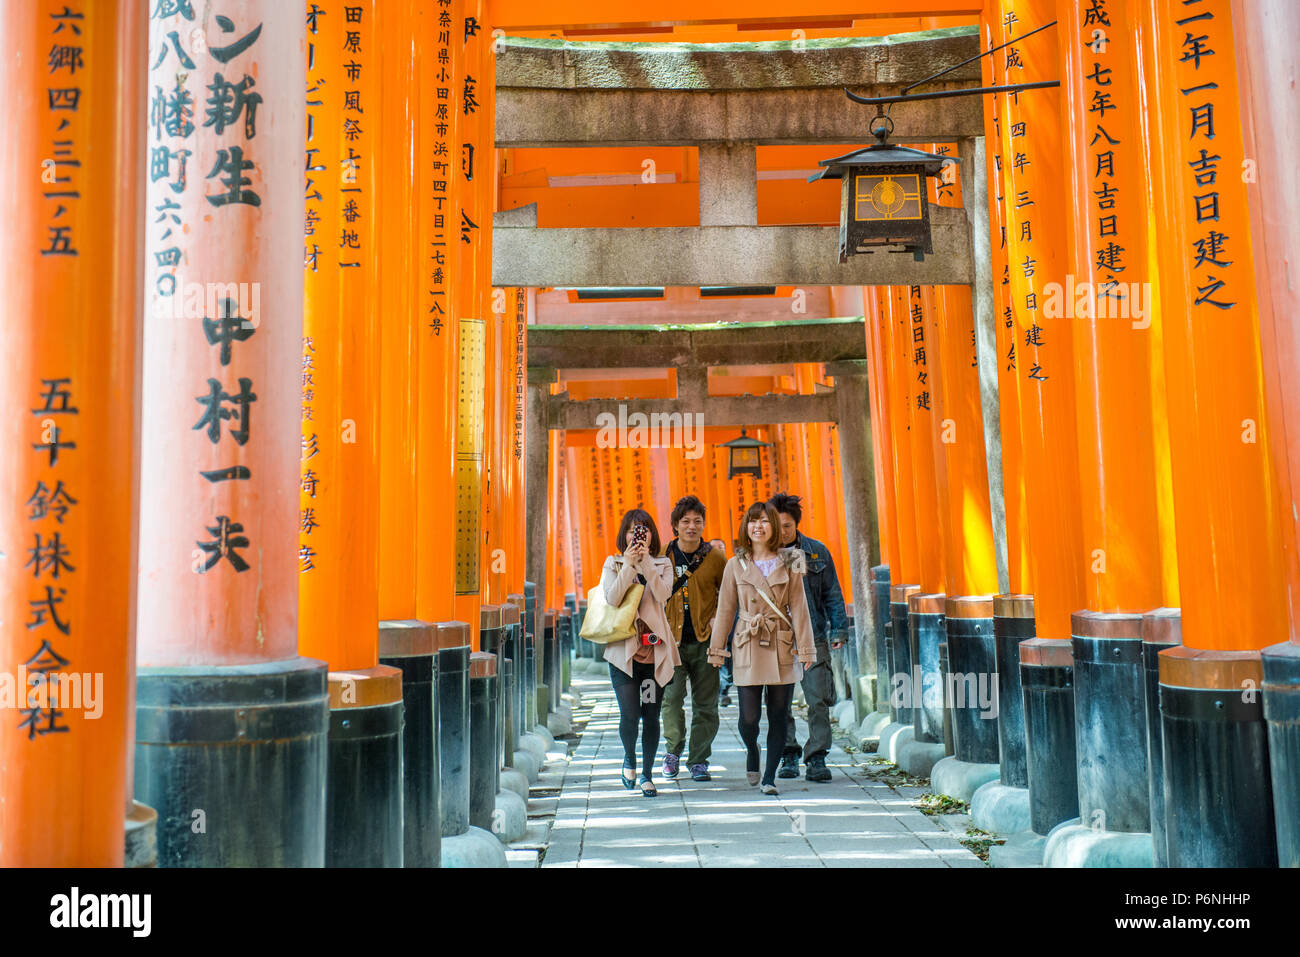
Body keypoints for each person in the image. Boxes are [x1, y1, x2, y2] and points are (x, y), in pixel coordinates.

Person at [708, 502, 816, 795]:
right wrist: (717, 650)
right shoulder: (735, 564)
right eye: (753, 521)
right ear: (746, 527)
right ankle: (752, 748)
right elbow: (726, 609)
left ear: (774, 528)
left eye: (764, 521)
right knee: (749, 718)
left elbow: (799, 607)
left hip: (781, 641)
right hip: (748, 641)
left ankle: (769, 777)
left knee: (779, 714)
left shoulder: (793, 559)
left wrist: (807, 650)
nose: (758, 526)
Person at [769, 493, 849, 783]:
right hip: (775, 638)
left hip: (812, 635)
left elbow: (832, 593)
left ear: (796, 525)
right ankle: (787, 753)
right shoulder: (759, 556)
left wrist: (839, 628)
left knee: (817, 698)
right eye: (776, 525)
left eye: (787, 526)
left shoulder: (816, 551)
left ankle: (816, 756)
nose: (782, 532)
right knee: (780, 701)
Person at [601, 508, 680, 797]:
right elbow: (612, 598)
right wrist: (629, 566)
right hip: (625, 654)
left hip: (653, 653)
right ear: (625, 535)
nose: (639, 533)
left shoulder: (662, 564)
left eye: (644, 528)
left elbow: (662, 595)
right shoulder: (613, 563)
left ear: (652, 534)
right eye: (634, 529)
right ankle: (629, 758)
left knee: (651, 714)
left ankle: (646, 773)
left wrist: (646, 562)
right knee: (630, 714)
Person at [660, 496, 727, 782]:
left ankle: (699, 759)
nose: (691, 526)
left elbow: (729, 595)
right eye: (685, 521)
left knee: (706, 703)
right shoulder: (663, 555)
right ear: (675, 525)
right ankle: (672, 752)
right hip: (670, 641)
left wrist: (719, 621)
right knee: (671, 699)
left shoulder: (715, 557)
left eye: (697, 521)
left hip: (705, 641)